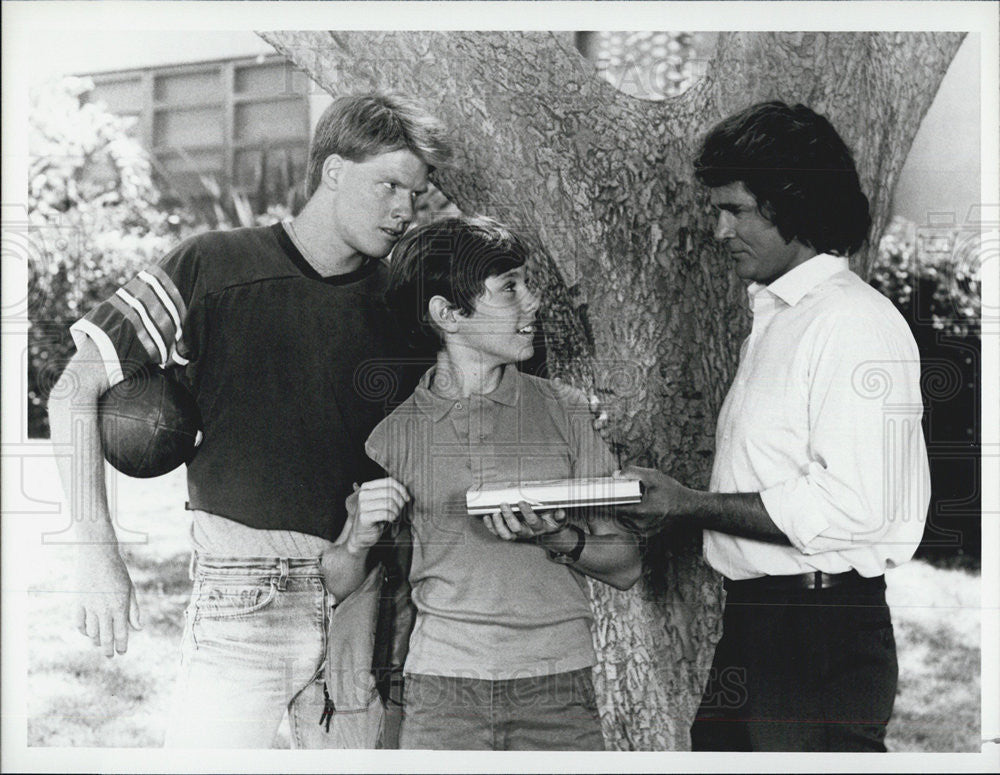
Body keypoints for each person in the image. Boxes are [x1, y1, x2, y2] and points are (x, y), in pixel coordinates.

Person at [47, 92, 450, 748]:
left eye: (417, 194)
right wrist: (96, 552)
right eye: (390, 186)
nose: (406, 210)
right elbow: (74, 390)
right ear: (335, 171)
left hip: (358, 598)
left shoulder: (401, 305)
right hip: (241, 599)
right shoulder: (209, 262)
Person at [617, 101, 930, 752]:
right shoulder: (782, 314)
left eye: (736, 209)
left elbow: (853, 505)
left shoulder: (850, 322)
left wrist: (688, 503)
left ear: (793, 204)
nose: (719, 229)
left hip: (817, 633)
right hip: (761, 625)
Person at [364, 215, 642, 751]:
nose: (532, 302)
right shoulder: (391, 438)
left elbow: (627, 564)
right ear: (446, 313)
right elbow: (376, 588)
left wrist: (557, 537)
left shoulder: (568, 411)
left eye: (526, 284)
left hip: (558, 688)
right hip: (441, 690)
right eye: (509, 287)